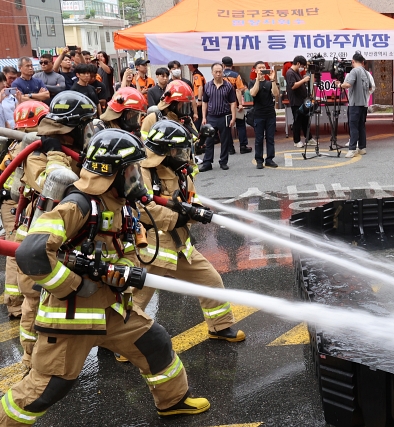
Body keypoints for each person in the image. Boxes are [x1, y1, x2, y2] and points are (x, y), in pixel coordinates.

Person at [7, 128, 210, 425]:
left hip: (111, 308)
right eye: (130, 171)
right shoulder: (78, 205)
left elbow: (121, 246)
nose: (136, 178)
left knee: (155, 344)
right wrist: (76, 284)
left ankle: (173, 401)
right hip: (72, 316)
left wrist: (122, 273)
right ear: (112, 173)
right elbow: (32, 253)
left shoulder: (119, 205)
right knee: (48, 387)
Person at [135, 120, 246, 341]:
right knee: (136, 299)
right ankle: (123, 343)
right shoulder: (143, 170)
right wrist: (180, 216)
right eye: (179, 150)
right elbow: (142, 207)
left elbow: (191, 199)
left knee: (210, 280)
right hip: (153, 248)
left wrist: (198, 212)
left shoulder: (181, 171)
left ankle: (220, 326)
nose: (184, 155)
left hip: (179, 245)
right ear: (166, 151)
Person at [13, 91, 97, 371]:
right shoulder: (39, 153)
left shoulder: (74, 150)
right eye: (86, 125)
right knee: (34, 297)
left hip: (70, 233)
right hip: (37, 235)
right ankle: (29, 358)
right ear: (74, 128)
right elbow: (53, 183)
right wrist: (54, 153)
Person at [0, 101, 48, 322]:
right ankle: (15, 304)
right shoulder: (25, 147)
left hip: (23, 202)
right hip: (13, 205)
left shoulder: (25, 143)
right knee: (15, 251)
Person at [200, 63, 237, 172]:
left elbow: (233, 103)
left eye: (220, 71)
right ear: (212, 72)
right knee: (209, 141)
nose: (218, 74)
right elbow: (204, 102)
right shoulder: (207, 86)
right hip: (211, 117)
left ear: (223, 72)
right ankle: (207, 162)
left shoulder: (228, 86)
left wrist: (233, 117)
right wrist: (204, 117)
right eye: (216, 72)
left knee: (225, 140)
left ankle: (223, 162)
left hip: (224, 116)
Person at [337, 53, 373, 158]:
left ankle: (352, 149)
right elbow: (370, 88)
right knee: (361, 126)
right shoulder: (366, 73)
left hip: (354, 104)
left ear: (353, 61)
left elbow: (348, 84)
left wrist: (340, 85)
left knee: (353, 127)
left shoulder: (354, 71)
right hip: (364, 104)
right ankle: (362, 148)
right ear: (362, 62)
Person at [249, 61, 280, 168]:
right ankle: (259, 160)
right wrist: (258, 79)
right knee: (259, 138)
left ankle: (270, 159)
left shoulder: (269, 82)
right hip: (258, 115)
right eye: (260, 68)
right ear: (255, 70)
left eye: (263, 68)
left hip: (270, 114)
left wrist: (272, 79)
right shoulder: (252, 82)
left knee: (270, 138)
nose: (262, 70)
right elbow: (253, 93)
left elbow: (276, 94)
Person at [221, 56, 251, 155]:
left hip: (224, 105)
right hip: (236, 104)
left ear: (223, 65)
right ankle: (243, 146)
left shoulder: (220, 75)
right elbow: (239, 90)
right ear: (232, 65)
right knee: (241, 125)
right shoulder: (236, 75)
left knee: (227, 127)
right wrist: (241, 104)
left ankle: (230, 148)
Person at [285, 56, 311, 148]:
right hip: (296, 101)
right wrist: (303, 80)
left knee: (305, 120)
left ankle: (309, 138)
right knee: (297, 121)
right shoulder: (290, 73)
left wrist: (302, 79)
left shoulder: (296, 72)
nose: (303, 68)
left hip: (302, 100)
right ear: (298, 64)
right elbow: (292, 86)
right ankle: (296, 140)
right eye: (303, 66)